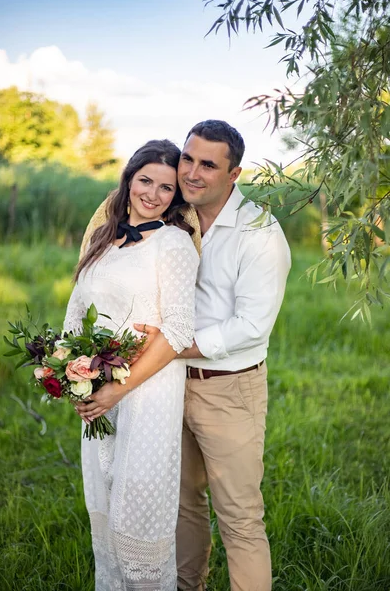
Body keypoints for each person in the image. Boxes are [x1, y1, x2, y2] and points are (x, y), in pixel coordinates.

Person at [79, 120, 291, 591]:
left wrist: (171, 346)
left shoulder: (259, 232)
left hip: (226, 387)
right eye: (188, 159)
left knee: (239, 516)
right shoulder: (172, 220)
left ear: (234, 173)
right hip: (163, 387)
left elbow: (252, 325)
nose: (193, 172)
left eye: (208, 164)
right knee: (180, 506)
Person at [64, 139, 199, 591]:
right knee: (104, 495)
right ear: (129, 180)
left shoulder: (174, 244)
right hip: (98, 392)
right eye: (145, 180)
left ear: (175, 196)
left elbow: (178, 330)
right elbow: (74, 313)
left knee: (139, 506)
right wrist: (72, 375)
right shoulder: (105, 238)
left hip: (148, 393)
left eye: (166, 187)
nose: (153, 194)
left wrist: (119, 389)